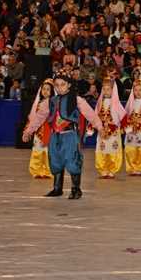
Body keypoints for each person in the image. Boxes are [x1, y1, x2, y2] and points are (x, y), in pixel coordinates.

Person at [23, 69, 104, 199]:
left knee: (73, 160)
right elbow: (39, 117)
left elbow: (90, 114)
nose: (59, 88)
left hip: (70, 135)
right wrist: (28, 131)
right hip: (55, 135)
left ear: (69, 85)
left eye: (63, 84)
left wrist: (99, 127)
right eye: (57, 85)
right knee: (55, 160)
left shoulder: (77, 100)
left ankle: (76, 189)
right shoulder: (50, 101)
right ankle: (57, 188)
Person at [86, 79, 126, 179]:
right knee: (101, 149)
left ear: (113, 90)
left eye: (108, 89)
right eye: (104, 89)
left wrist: (126, 127)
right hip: (102, 132)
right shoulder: (100, 103)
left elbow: (123, 116)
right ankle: (103, 169)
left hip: (114, 133)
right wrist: (91, 127)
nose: (106, 91)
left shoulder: (116, 103)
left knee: (113, 149)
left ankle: (112, 170)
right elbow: (95, 116)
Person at [27, 79, 54, 179]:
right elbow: (33, 117)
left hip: (50, 130)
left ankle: (48, 171)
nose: (45, 91)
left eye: (48, 89)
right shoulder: (38, 103)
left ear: (52, 91)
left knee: (48, 151)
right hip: (38, 131)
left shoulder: (54, 103)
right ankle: (36, 170)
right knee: (37, 150)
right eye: (44, 89)